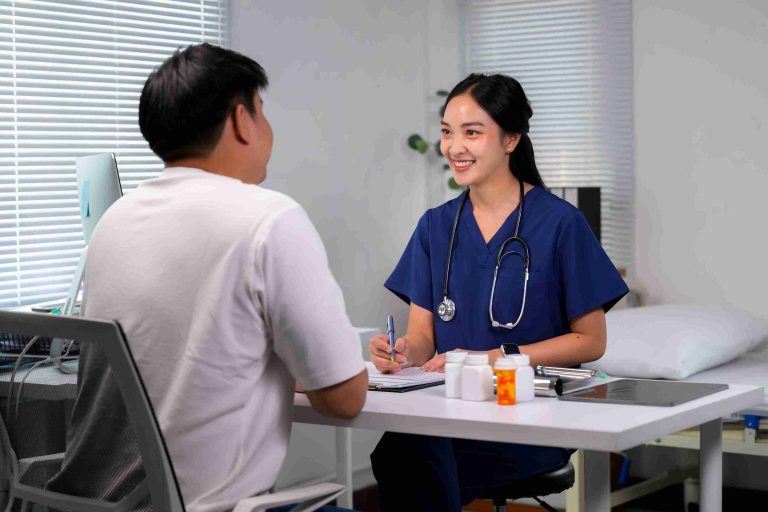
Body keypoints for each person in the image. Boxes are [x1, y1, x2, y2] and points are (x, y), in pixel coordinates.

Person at [45, 43, 368, 512]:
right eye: (263, 112)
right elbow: (344, 399)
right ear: (241, 121)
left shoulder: (114, 222)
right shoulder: (269, 218)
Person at [368, 73, 628, 511]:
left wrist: (494, 359)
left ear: (510, 140)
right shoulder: (435, 226)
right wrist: (400, 351)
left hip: (530, 414)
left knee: (417, 455)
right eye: (448, 132)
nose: (455, 147)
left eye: (472, 132)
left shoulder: (561, 224)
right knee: (403, 449)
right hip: (451, 408)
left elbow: (591, 341)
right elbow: (423, 338)